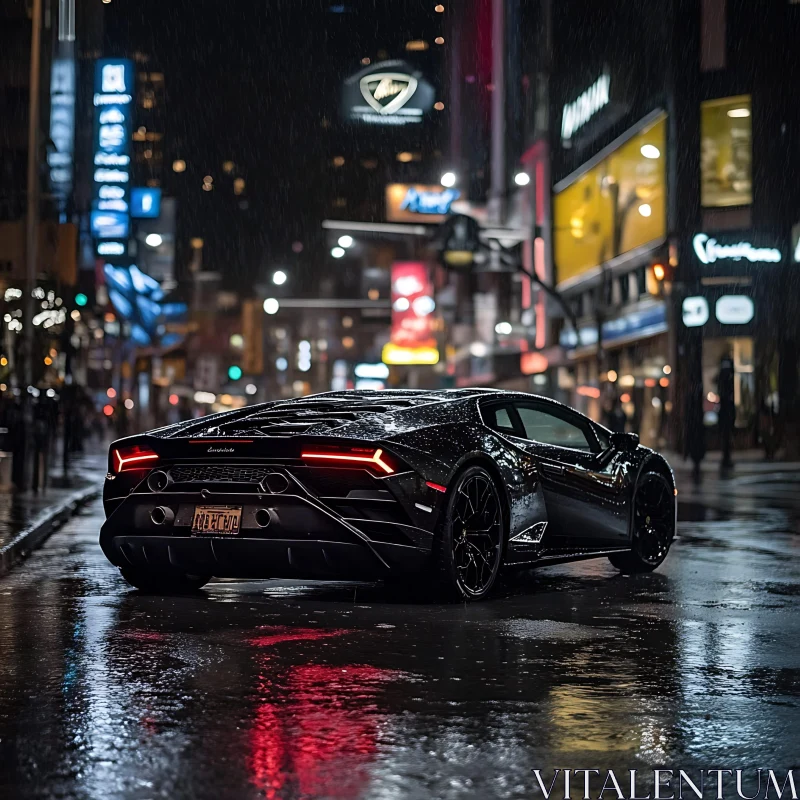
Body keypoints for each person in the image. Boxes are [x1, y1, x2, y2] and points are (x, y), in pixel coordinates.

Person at [717, 348, 735, 469]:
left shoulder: (724, 375)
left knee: (726, 437)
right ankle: (726, 458)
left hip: (725, 410)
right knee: (726, 437)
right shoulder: (728, 375)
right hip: (726, 410)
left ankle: (726, 458)